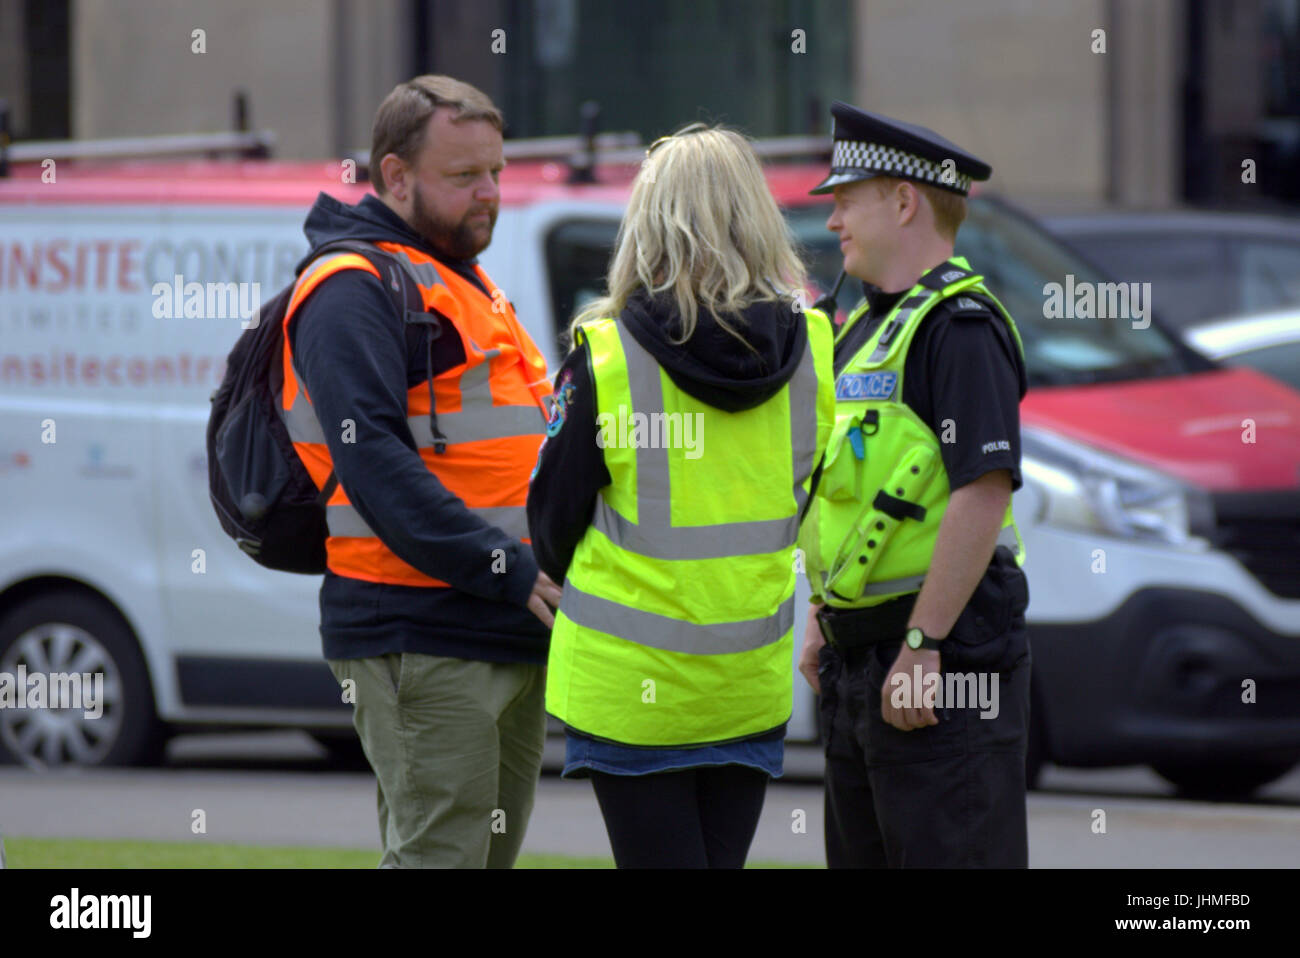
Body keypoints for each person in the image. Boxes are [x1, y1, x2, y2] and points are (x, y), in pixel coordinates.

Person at [527, 123, 836, 869]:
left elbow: (550, 524)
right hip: (746, 682)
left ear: (648, 225)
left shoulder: (606, 357)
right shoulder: (818, 350)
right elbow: (817, 506)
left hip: (629, 687)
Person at [281, 75, 561, 867]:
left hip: (500, 621)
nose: (490, 195)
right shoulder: (351, 287)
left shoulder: (461, 278)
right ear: (396, 177)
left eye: (497, 173)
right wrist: (502, 564)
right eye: (465, 176)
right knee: (440, 857)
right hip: (423, 628)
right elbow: (369, 459)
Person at [797, 102, 1032, 868]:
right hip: (861, 661)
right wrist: (820, 617)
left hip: (939, 658)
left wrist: (923, 644)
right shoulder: (862, 329)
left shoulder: (958, 328)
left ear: (903, 201)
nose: (832, 220)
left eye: (844, 200)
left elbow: (982, 489)